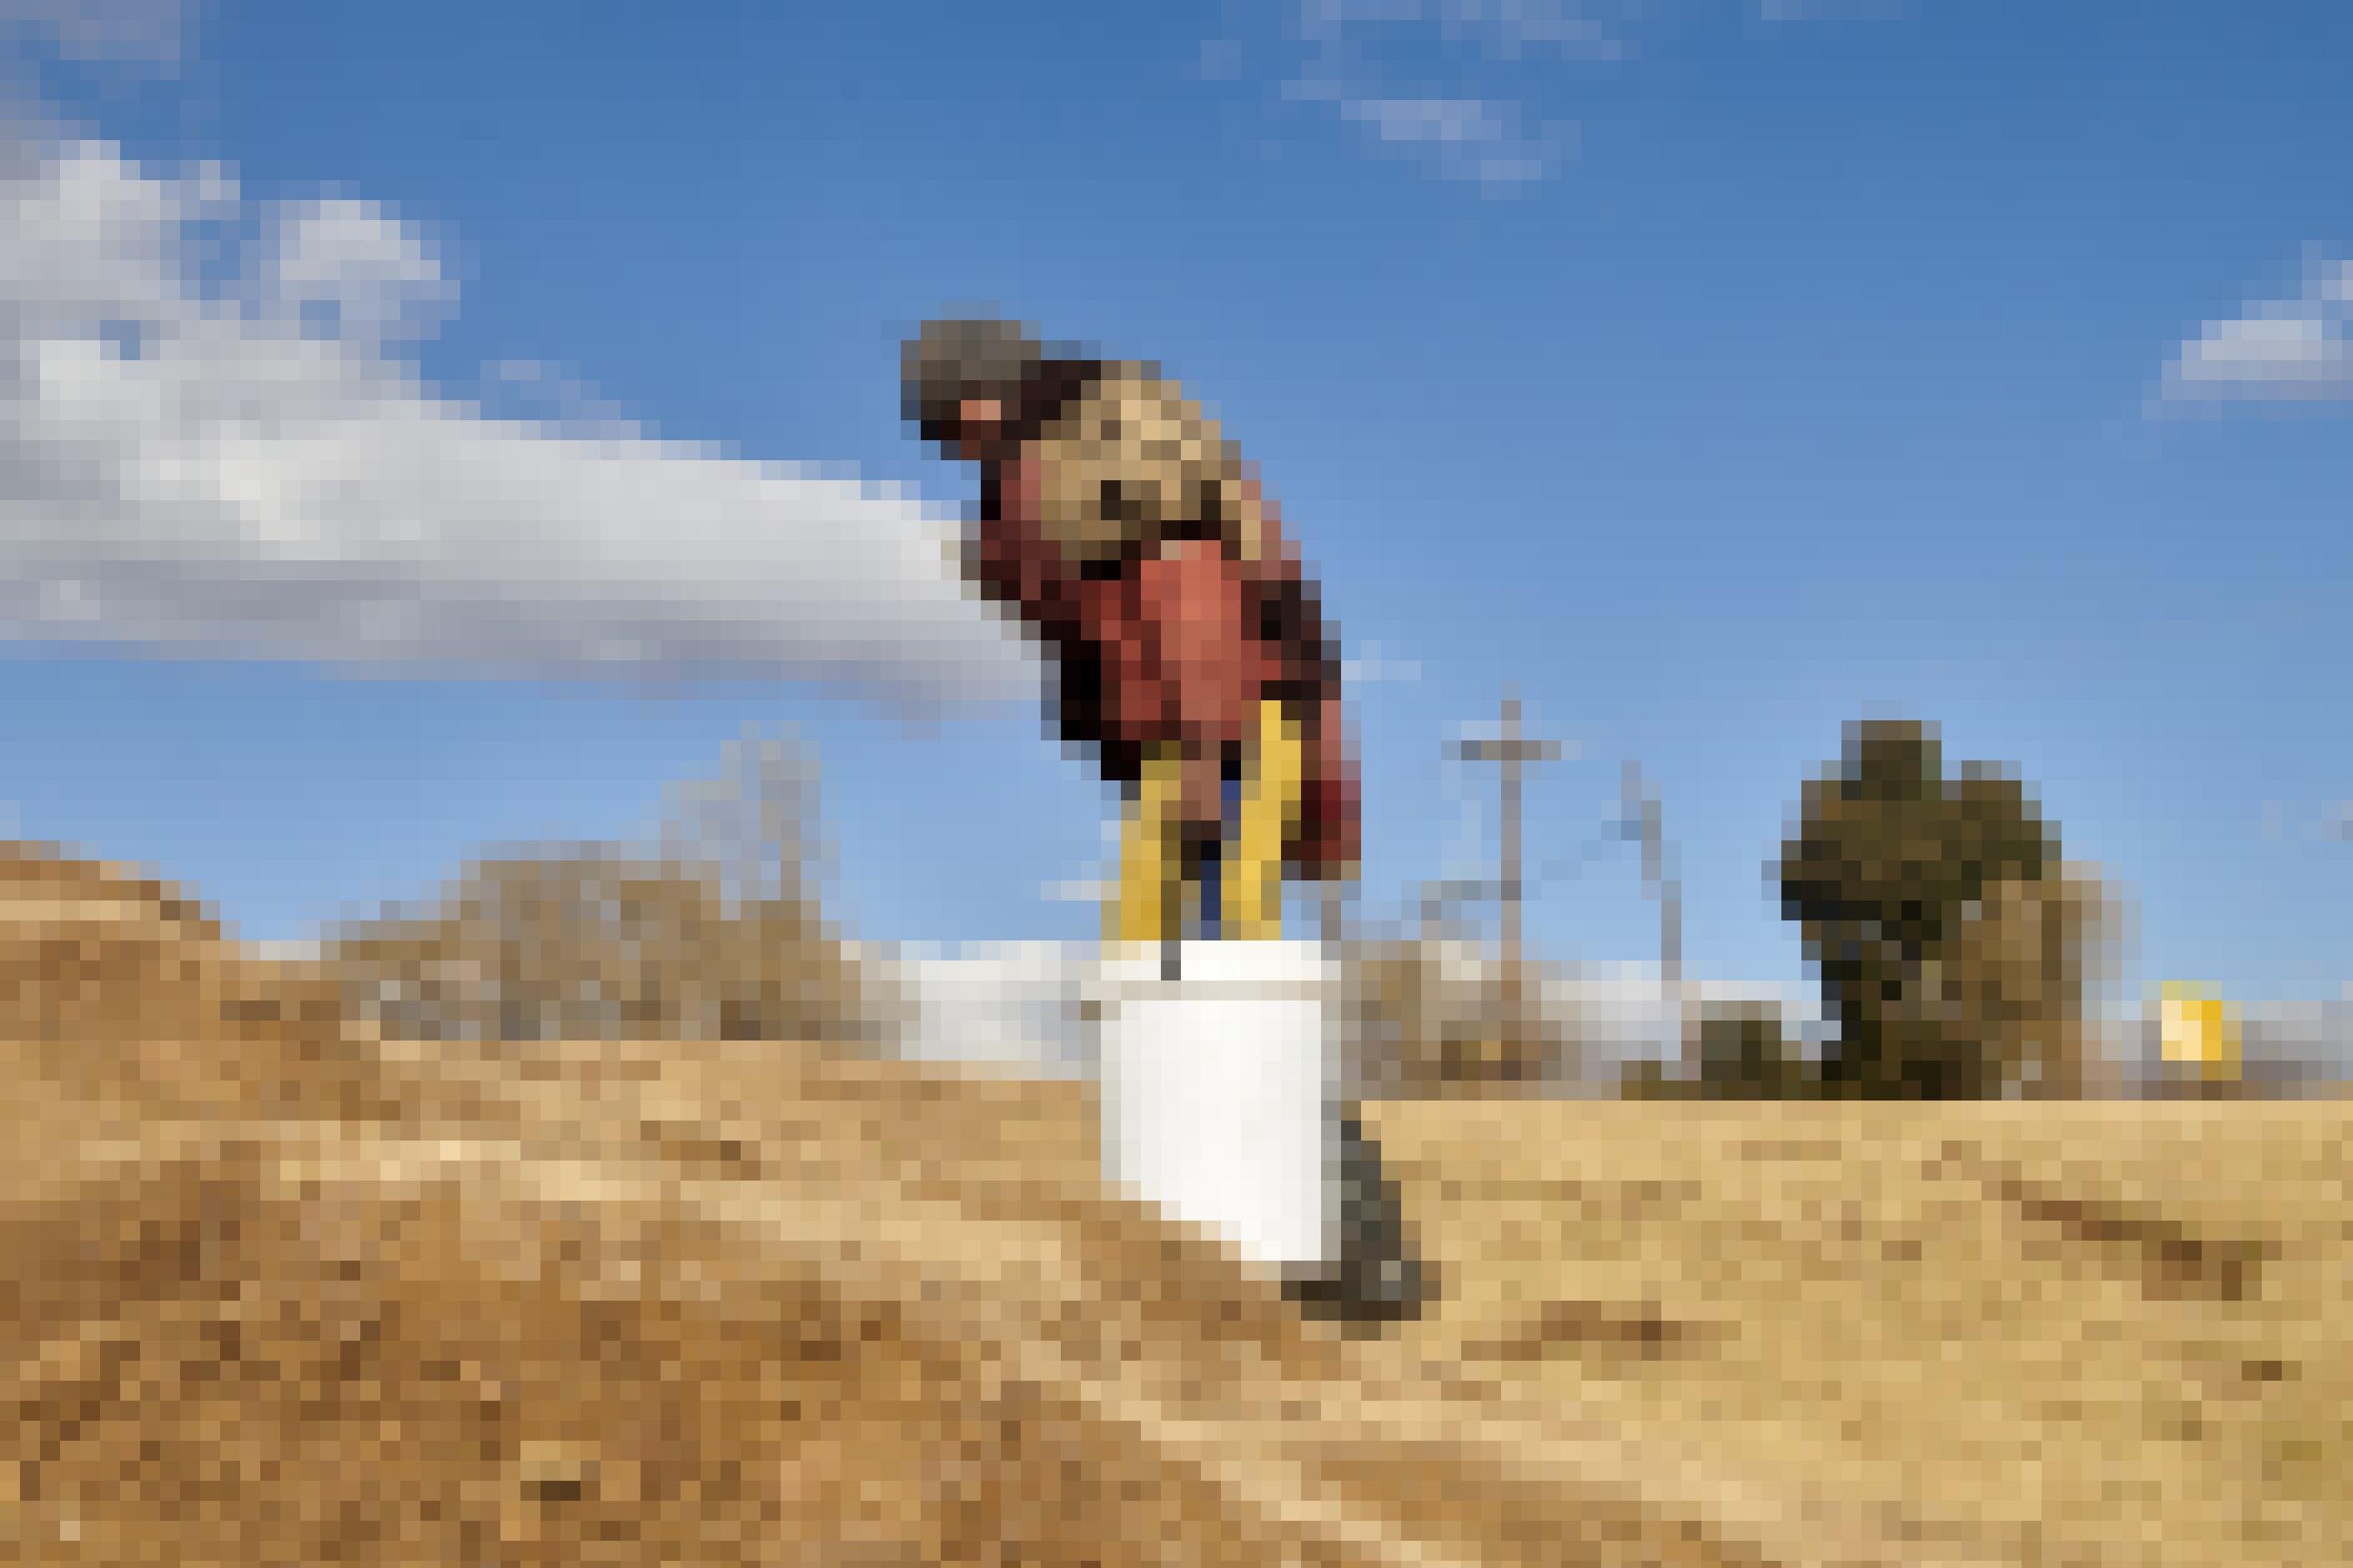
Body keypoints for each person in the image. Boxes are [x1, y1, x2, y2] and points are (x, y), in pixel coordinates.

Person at [903, 316, 1430, 1325]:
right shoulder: (1030, 480)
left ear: (974, 400)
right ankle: (1196, 1232)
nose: (947, 451)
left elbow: (1188, 593)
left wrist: (1194, 744)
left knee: (1231, 972)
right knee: (1149, 969)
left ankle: (1354, 1263)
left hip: (1227, 723)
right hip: (1185, 738)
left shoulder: (1099, 451)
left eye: (942, 426)